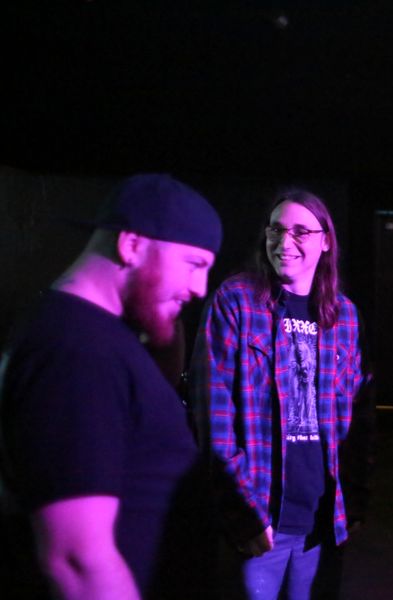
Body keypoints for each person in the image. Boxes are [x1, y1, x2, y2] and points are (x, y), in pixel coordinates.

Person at [0, 173, 222, 600]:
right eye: (194, 264)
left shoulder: (90, 338)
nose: (199, 289)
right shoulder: (76, 350)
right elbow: (76, 561)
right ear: (131, 245)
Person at [191, 188, 363, 600]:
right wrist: (244, 514)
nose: (285, 242)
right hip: (260, 520)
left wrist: (355, 500)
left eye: (301, 231)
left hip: (321, 521)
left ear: (326, 241)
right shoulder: (236, 301)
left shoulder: (343, 314)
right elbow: (213, 418)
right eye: (276, 229)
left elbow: (356, 417)